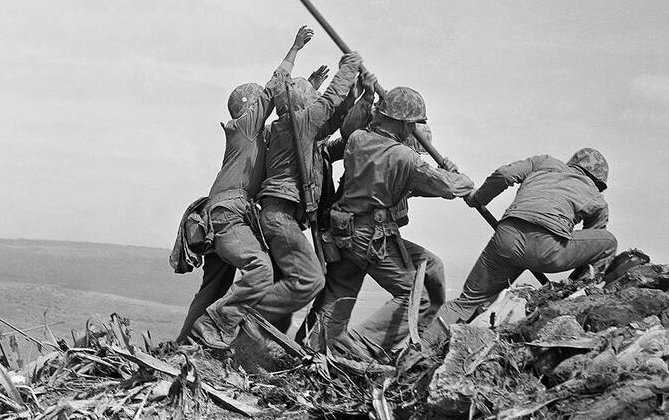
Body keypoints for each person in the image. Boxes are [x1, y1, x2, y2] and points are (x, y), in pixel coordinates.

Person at [309, 87, 474, 355]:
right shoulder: (404, 157)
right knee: (416, 297)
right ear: (401, 122)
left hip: (344, 232)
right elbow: (447, 187)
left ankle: (318, 347)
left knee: (342, 292)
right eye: (411, 125)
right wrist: (459, 177)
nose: (412, 131)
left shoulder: (358, 140)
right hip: (371, 237)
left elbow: (400, 182)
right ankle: (360, 347)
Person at [183, 26, 314, 348]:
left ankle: (184, 345)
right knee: (259, 269)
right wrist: (295, 49)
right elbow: (273, 90)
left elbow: (291, 121)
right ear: (251, 107)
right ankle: (216, 327)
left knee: (213, 287)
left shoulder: (252, 137)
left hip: (220, 216)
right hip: (229, 215)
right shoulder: (243, 128)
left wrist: (310, 89)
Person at [426, 148, 617, 343]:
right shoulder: (597, 199)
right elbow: (591, 249)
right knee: (608, 242)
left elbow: (504, 174)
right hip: (547, 249)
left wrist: (478, 199)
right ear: (599, 181)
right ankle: (577, 297)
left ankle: (418, 346)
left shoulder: (544, 162)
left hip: (506, 239)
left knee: (466, 302)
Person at [252, 49, 364, 331]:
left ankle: (256, 338)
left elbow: (334, 119)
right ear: (304, 105)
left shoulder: (294, 129)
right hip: (280, 216)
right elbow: (329, 103)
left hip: (282, 216)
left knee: (286, 293)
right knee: (310, 280)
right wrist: (349, 67)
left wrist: (358, 94)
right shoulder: (297, 123)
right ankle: (241, 315)